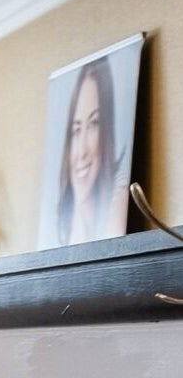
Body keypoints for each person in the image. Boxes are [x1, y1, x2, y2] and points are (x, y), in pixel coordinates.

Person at [52, 56, 127, 247]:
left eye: (94, 124)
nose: (81, 151)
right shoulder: (61, 225)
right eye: (76, 130)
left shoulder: (119, 196)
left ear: (107, 130)